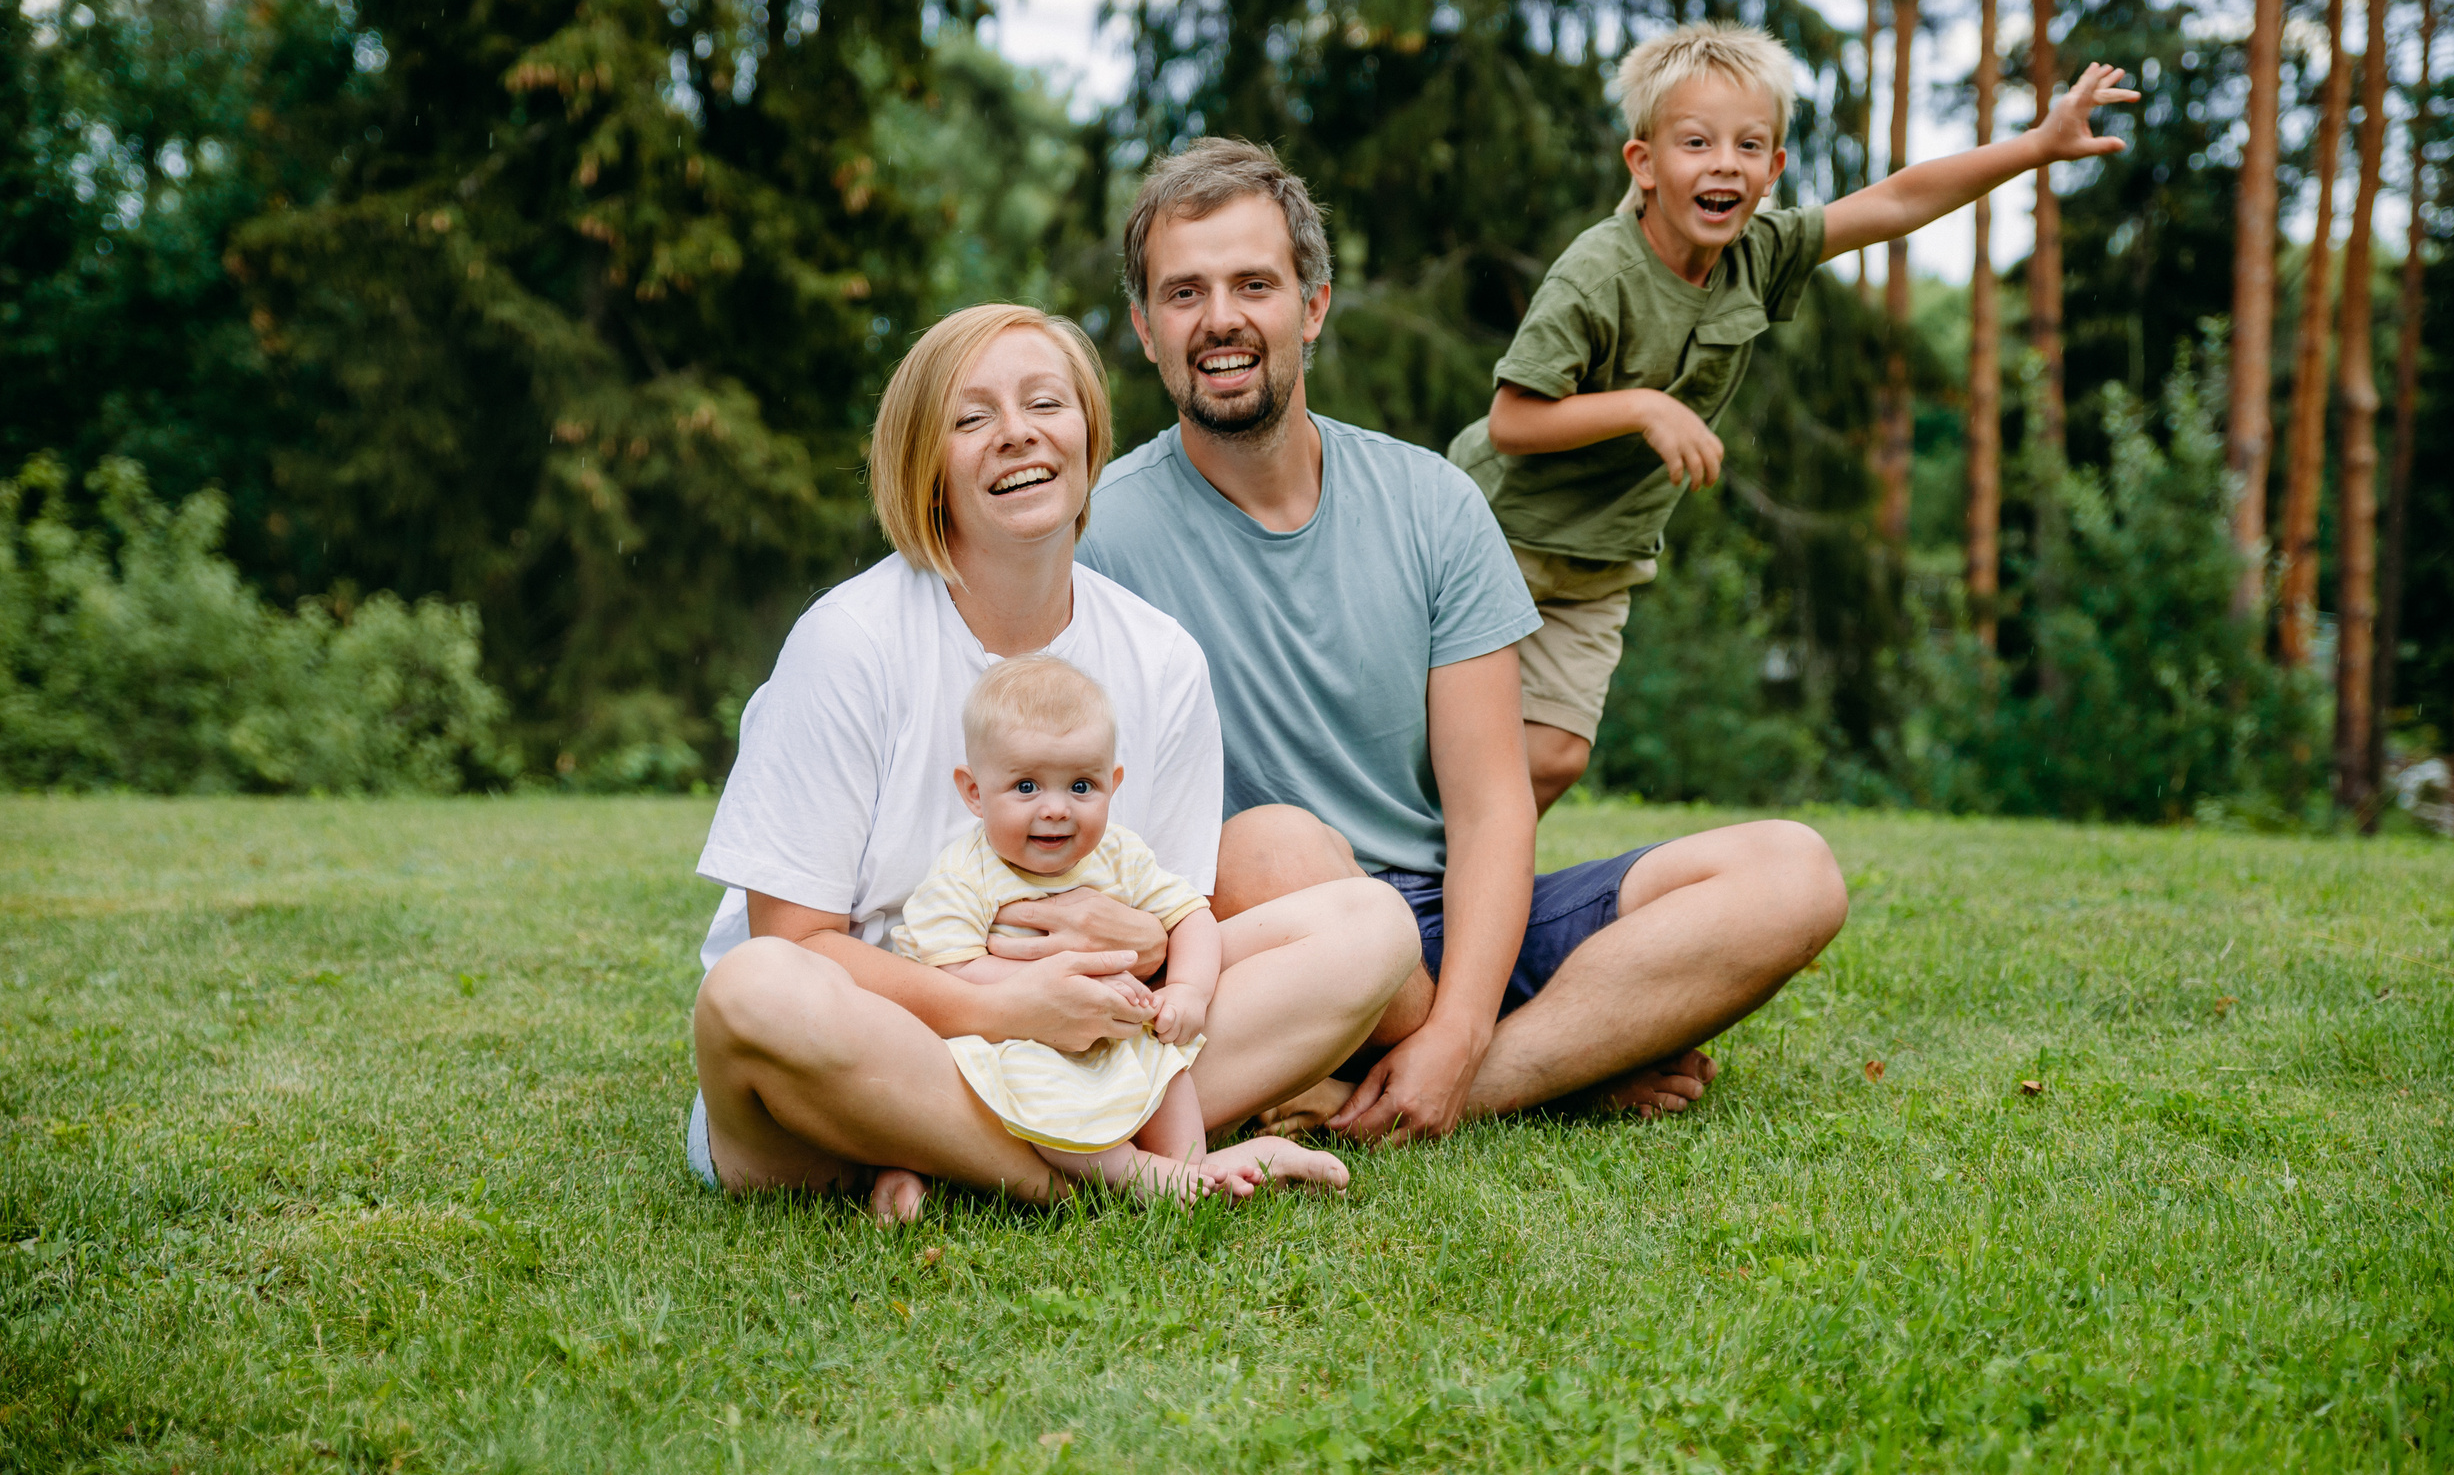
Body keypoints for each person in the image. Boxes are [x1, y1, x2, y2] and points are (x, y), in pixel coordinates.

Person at [1075, 139, 1849, 1143]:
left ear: (1310, 306)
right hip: (1275, 938)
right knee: (1271, 843)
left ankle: (1464, 1076)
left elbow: (1491, 807)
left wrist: (1460, 1029)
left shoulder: (1431, 502)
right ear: (1144, 326)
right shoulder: (1099, 536)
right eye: (1184, 293)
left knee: (1792, 871)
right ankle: (1561, 1051)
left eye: (1252, 284)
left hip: (1454, 920)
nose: (1220, 317)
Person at [688, 302, 1412, 1219]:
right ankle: (1104, 1178)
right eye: (972, 416)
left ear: (1088, 434)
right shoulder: (847, 643)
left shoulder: (1161, 657)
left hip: (1085, 1044)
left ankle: (944, 1163)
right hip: (878, 1042)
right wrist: (1008, 1005)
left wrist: (1130, 955)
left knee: (1371, 924)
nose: (1018, 433)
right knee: (755, 989)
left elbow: (1171, 918)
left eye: (1046, 402)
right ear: (927, 464)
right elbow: (794, 942)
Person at [1447, 21, 2140, 809]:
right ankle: (1401, 876)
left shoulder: (1759, 253)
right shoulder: (1596, 274)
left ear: (1774, 168)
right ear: (1643, 164)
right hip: (1495, 534)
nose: (1724, 164)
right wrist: (1644, 407)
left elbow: (1898, 199)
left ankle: (1447, 894)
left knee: (1555, 756)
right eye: (1697, 142)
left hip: (1598, 561)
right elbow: (1513, 421)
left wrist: (2039, 145)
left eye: (1749, 146)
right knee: (1452, 736)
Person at [896, 653, 1288, 1200]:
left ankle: (1192, 1168)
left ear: (1113, 782)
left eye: (1081, 787)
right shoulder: (964, 877)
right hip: (1022, 1038)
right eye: (1027, 787)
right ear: (974, 792)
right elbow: (953, 969)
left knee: (1166, 1068)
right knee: (1042, 1091)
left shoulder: (1120, 855)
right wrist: (1061, 985)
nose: (1057, 809)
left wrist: (1188, 990)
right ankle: (1135, 1175)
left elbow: (1190, 915)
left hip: (1116, 1034)